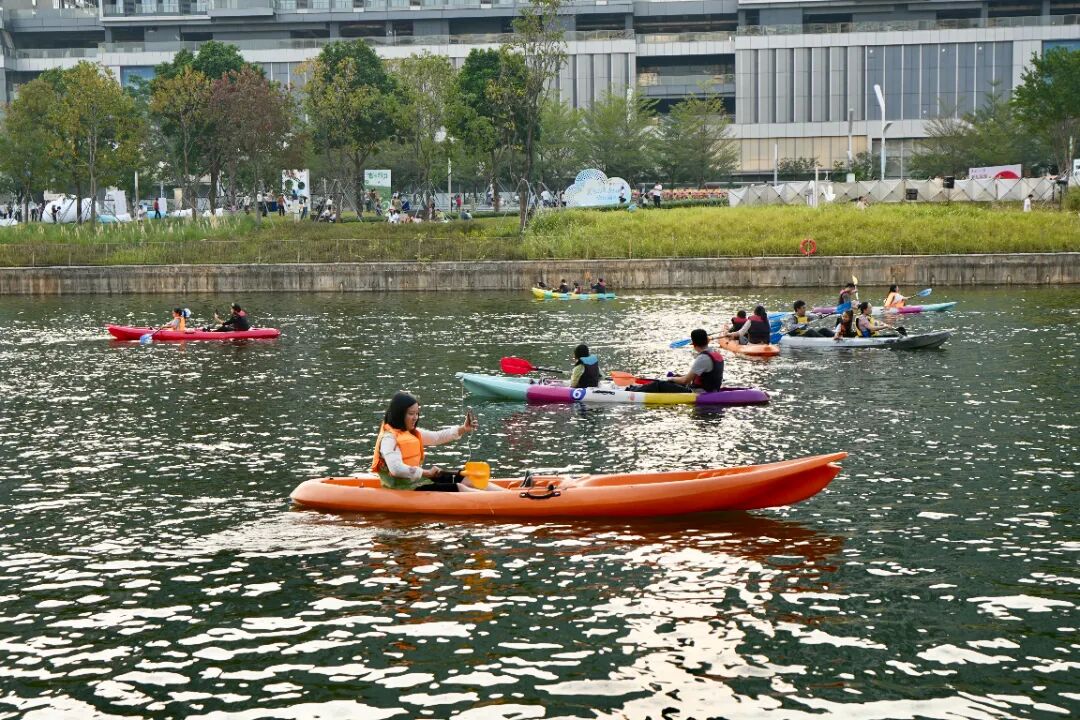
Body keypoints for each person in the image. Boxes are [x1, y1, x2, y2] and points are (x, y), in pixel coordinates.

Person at [371, 392, 483, 492]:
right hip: (401, 488)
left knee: (466, 479)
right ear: (399, 414)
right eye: (411, 413)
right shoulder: (389, 439)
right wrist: (426, 473)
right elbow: (396, 469)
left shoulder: (412, 433)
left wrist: (463, 428)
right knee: (459, 487)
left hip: (415, 481)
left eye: (417, 413)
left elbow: (437, 437)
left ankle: (500, 496)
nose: (415, 417)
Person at [630, 329, 723, 394]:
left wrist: (671, 379)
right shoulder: (715, 353)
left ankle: (631, 391)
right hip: (711, 390)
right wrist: (678, 377)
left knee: (660, 384)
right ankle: (635, 388)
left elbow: (685, 381)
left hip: (699, 393)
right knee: (673, 379)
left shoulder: (703, 358)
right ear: (707, 341)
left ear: (693, 344)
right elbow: (700, 376)